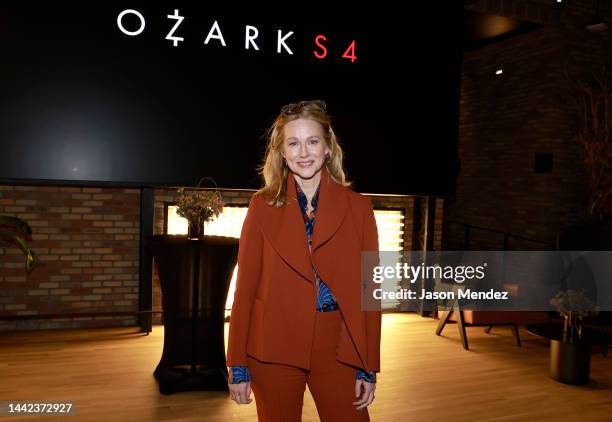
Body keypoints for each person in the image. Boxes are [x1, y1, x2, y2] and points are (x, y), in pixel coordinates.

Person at [226, 100, 381, 421]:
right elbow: (245, 288)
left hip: (338, 344)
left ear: (327, 147)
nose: (303, 152)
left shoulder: (359, 208)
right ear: (281, 152)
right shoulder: (261, 206)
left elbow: (369, 292)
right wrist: (237, 363)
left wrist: (368, 365)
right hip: (273, 344)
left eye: (312, 141)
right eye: (293, 143)